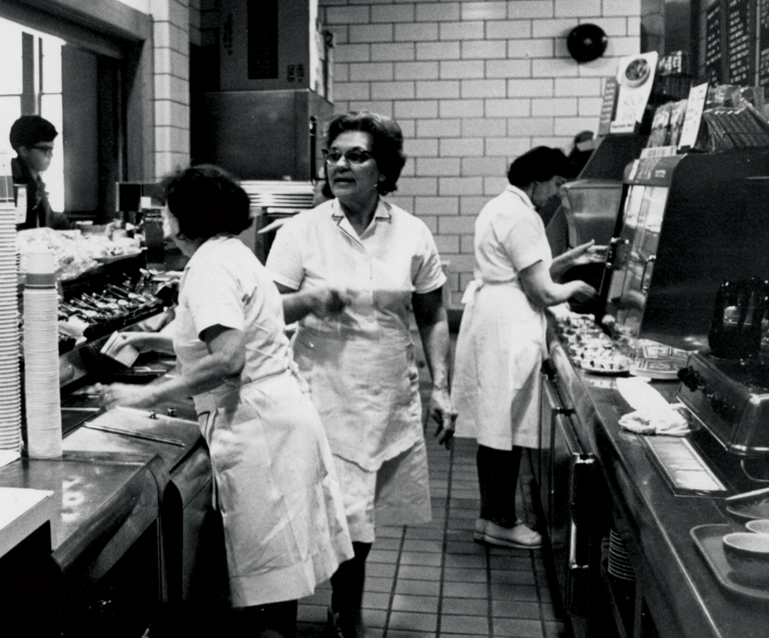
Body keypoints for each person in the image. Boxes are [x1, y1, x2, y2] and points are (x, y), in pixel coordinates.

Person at [99, 165, 353, 638]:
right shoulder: (234, 253)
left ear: (182, 218)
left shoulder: (207, 268)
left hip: (257, 427)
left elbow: (229, 357)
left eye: (167, 212)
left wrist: (144, 394)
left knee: (268, 576)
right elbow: (234, 330)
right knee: (279, 570)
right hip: (277, 413)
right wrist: (147, 340)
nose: (164, 223)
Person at [265, 111, 456, 638]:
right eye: (333, 155)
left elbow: (433, 314)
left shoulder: (413, 233)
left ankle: (347, 611)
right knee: (303, 507)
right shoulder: (301, 231)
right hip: (316, 387)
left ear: (384, 168)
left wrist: (442, 388)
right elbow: (268, 312)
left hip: (383, 392)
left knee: (359, 516)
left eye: (357, 155)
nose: (340, 165)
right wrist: (308, 300)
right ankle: (280, 614)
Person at [451, 147, 605, 550]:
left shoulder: (499, 206)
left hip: (494, 319)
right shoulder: (523, 216)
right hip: (509, 328)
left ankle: (491, 517)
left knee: (495, 426)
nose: (556, 193)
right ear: (537, 179)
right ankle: (501, 520)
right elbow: (541, 290)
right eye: (555, 184)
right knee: (505, 429)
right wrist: (575, 286)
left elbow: (526, 272)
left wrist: (569, 260)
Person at [9, 115, 74, 230]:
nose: (50, 155)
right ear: (24, 150)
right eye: (45, 150)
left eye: (51, 149)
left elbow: (49, 219)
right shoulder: (9, 181)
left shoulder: (36, 180)